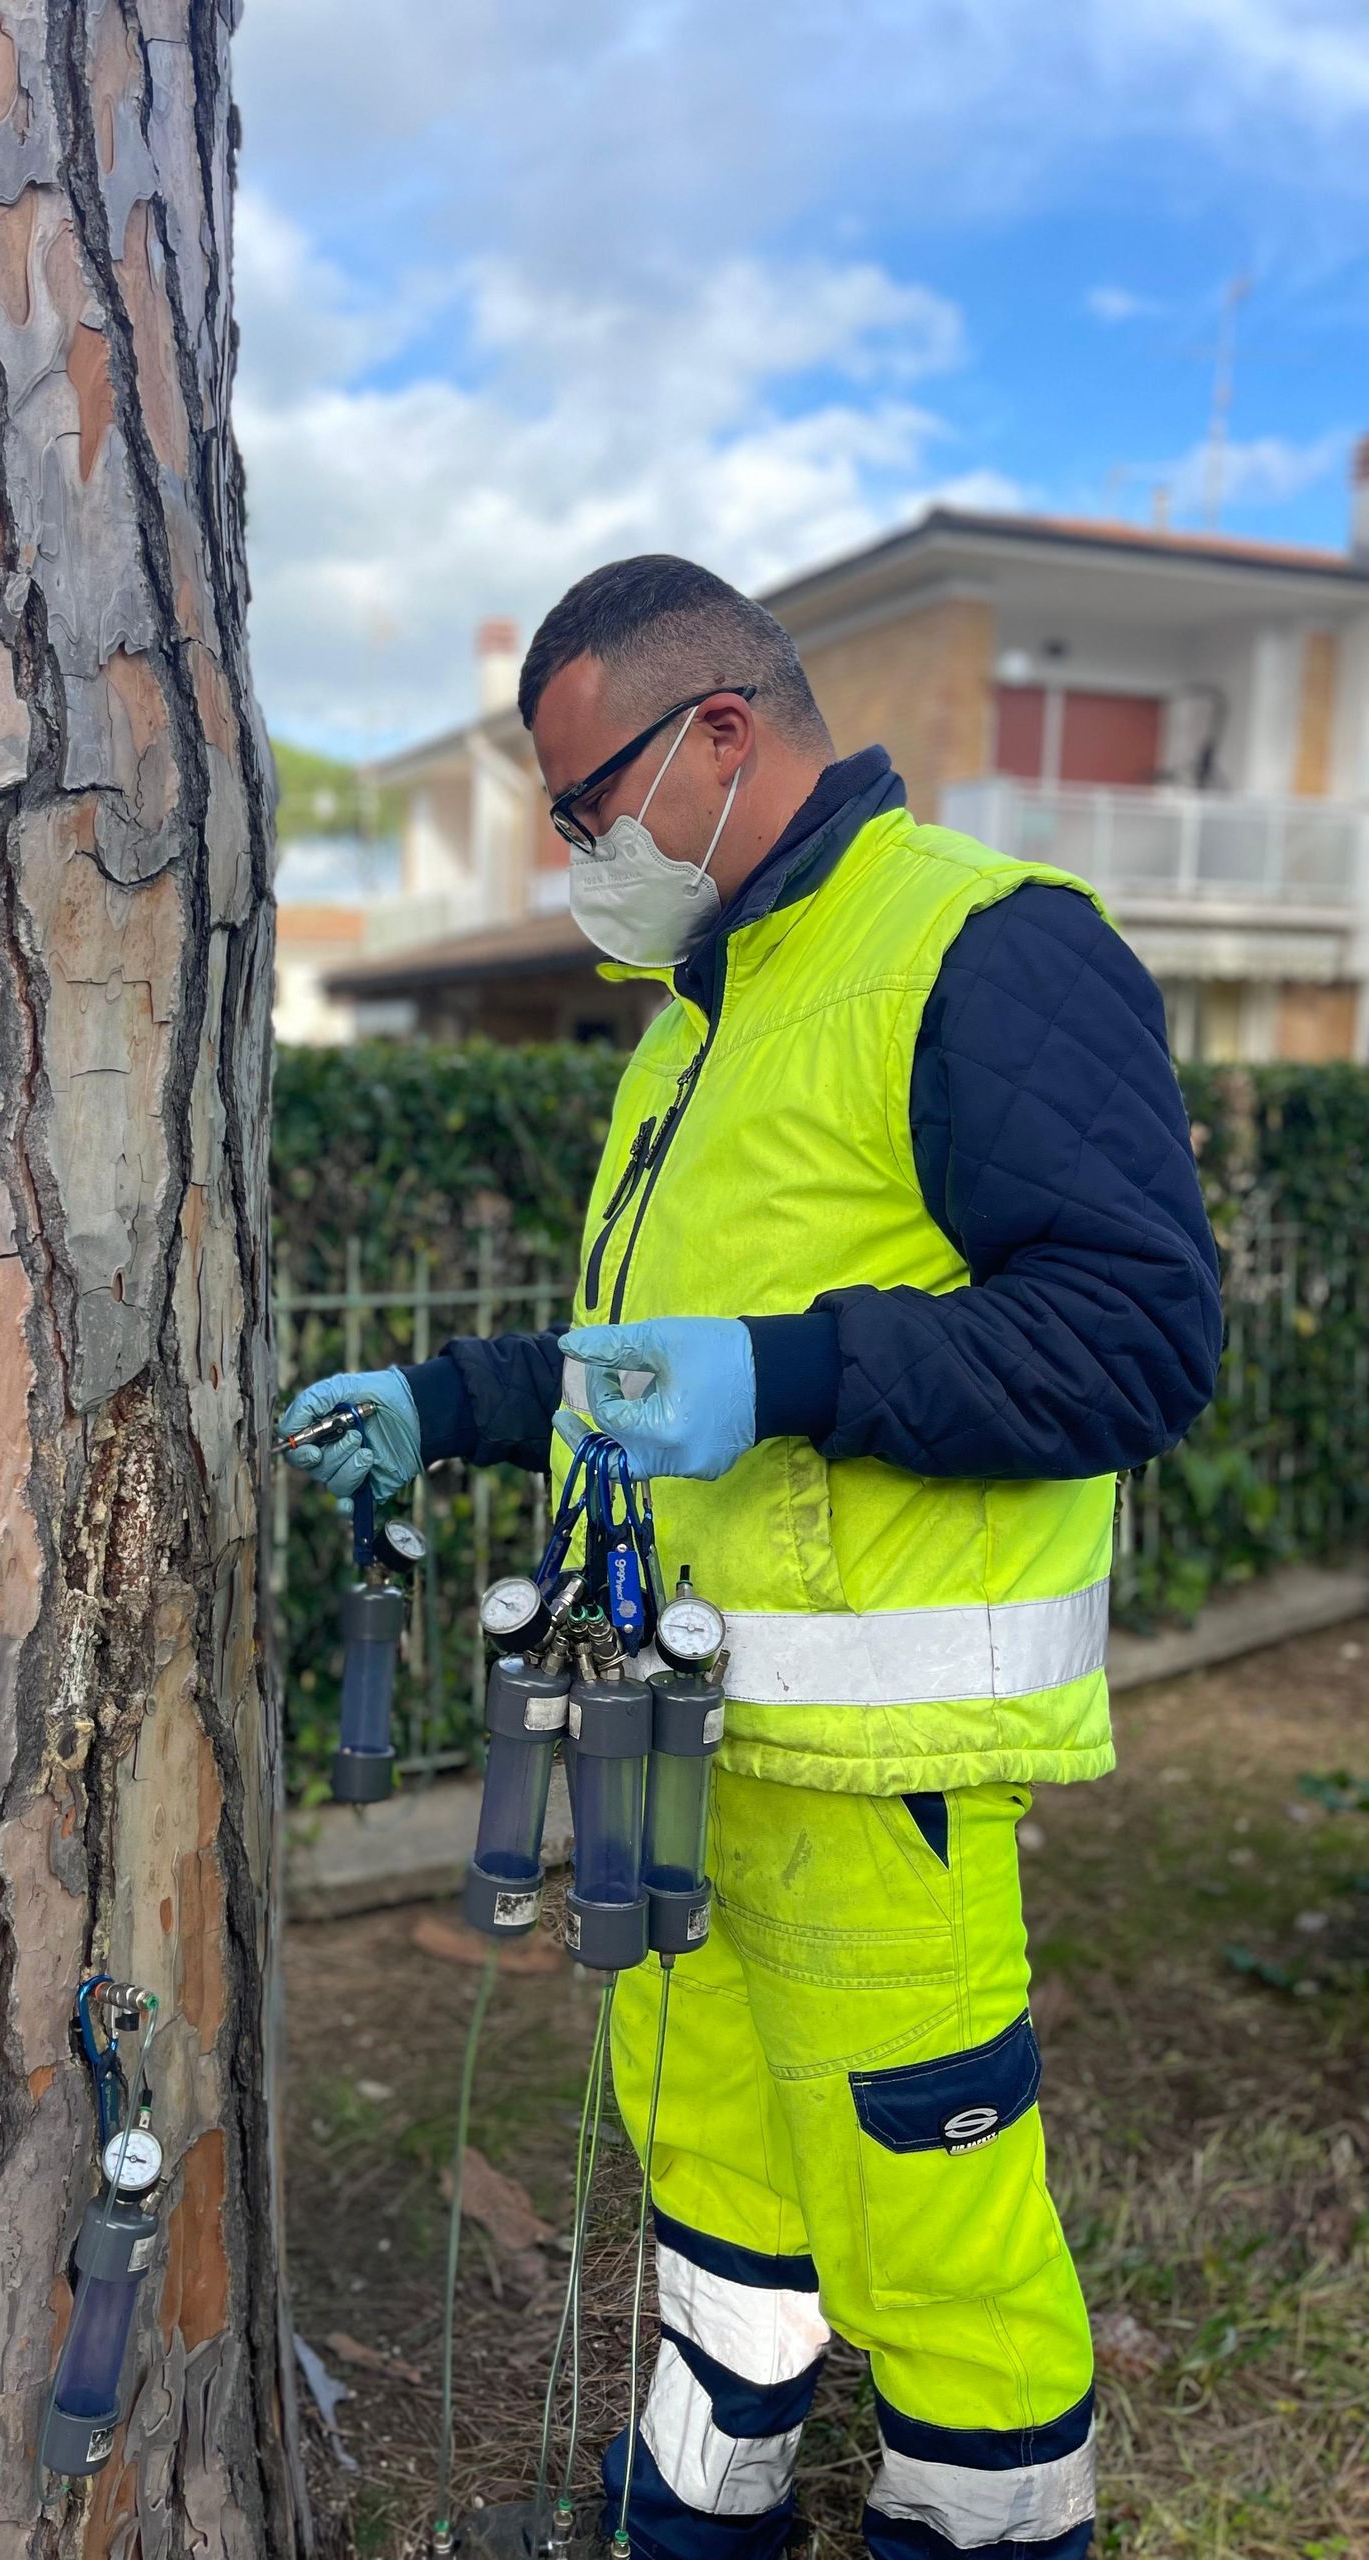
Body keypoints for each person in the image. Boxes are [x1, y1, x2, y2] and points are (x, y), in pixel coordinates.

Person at [279, 555, 1222, 2560]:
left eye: (584, 802)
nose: (574, 856)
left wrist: (789, 1369)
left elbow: (1140, 1337)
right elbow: (644, 1365)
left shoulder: (985, 948)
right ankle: (699, 2506)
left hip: (879, 1778)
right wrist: (446, 1405)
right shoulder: (700, 1013)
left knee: (931, 2227)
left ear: (721, 733)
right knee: (714, 2168)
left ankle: (985, 2525)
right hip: (683, 1743)